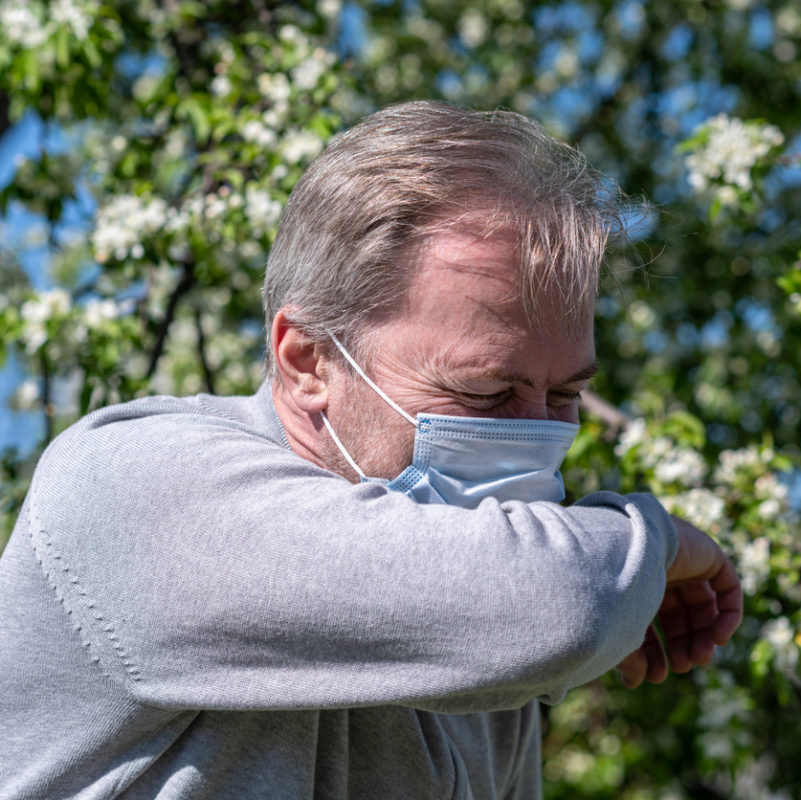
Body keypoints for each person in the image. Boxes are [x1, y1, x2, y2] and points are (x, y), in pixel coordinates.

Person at [0, 101, 742, 798]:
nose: (533, 433)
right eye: (483, 394)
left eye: (563, 399)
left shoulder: (486, 669)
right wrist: (654, 543)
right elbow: (561, 607)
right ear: (308, 359)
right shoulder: (130, 482)